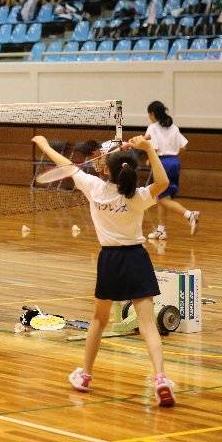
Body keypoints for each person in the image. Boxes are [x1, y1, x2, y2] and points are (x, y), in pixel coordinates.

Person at [32, 133, 176, 407]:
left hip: (110, 260)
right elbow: (163, 182)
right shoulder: (139, 196)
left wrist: (45, 145)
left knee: (99, 320)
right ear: (132, 170)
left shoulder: (94, 188)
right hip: (137, 258)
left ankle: (85, 375)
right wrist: (149, 149)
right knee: (147, 324)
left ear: (107, 169)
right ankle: (160, 378)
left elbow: (67, 165)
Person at [145, 100, 198, 239]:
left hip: (162, 163)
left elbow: (153, 148)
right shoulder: (173, 127)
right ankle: (161, 230)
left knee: (162, 199)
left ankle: (189, 215)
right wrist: (175, 159)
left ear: (152, 114)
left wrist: (150, 161)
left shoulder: (153, 128)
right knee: (163, 196)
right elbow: (184, 148)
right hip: (175, 162)